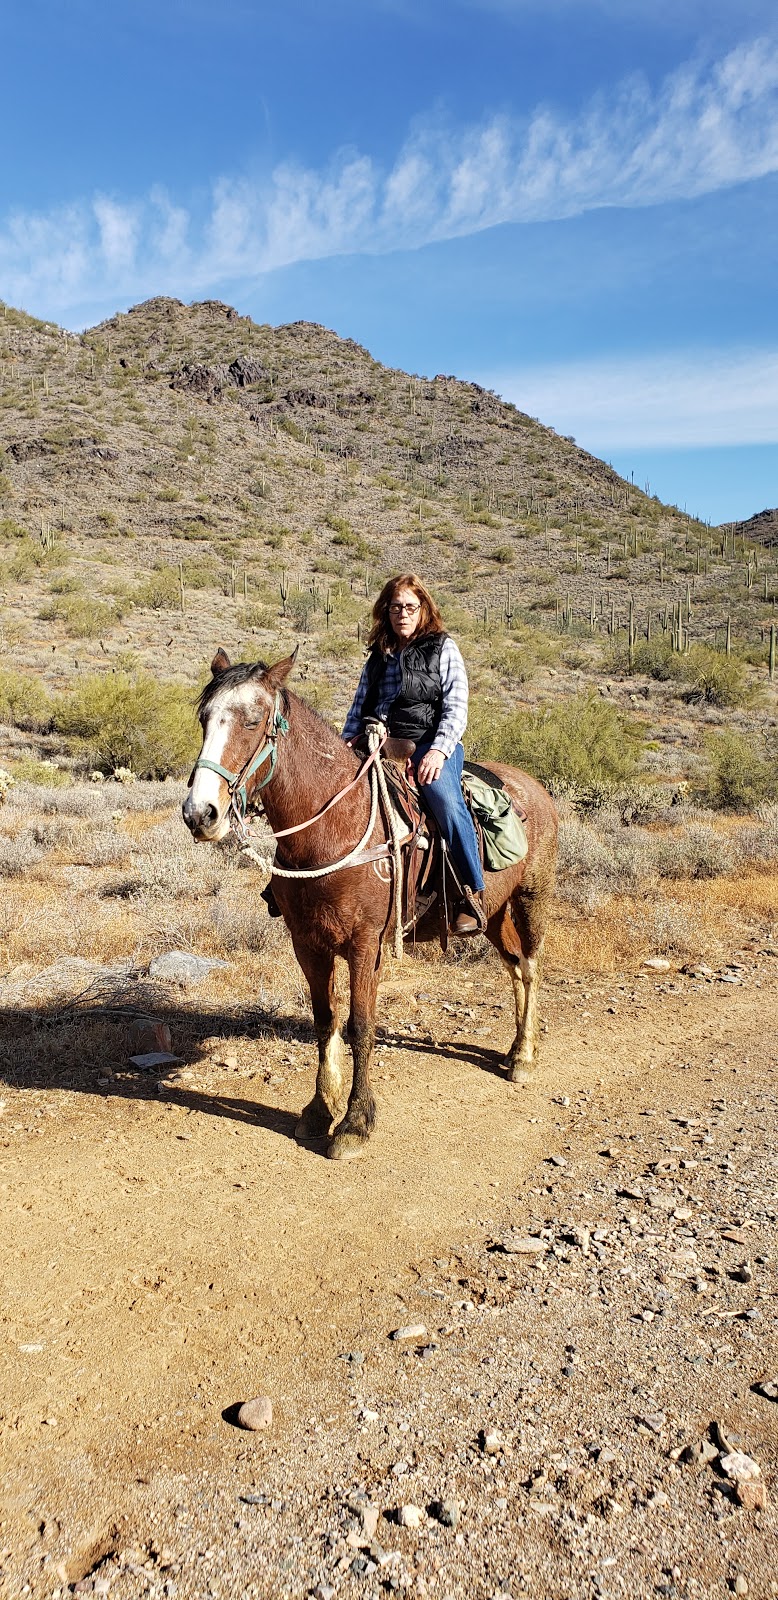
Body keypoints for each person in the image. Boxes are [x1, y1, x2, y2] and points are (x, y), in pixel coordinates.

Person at [343, 573, 486, 935]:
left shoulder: (442, 647)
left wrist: (439, 751)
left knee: (446, 801)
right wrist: (346, 742)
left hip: (427, 743)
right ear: (386, 611)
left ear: (423, 609)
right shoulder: (379, 656)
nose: (402, 614)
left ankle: (469, 894)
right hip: (376, 743)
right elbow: (359, 706)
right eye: (395, 607)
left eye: (410, 607)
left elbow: (456, 707)